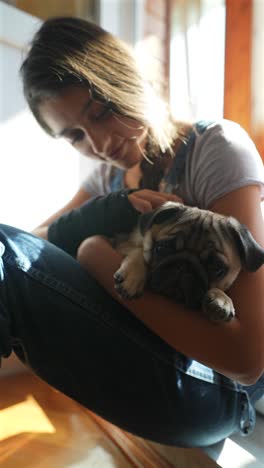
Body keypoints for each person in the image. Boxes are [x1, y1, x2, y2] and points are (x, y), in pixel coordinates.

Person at [4, 15, 263, 447]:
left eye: (102, 112)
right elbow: (31, 247)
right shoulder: (108, 181)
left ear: (127, 77)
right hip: (144, 362)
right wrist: (93, 220)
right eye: (75, 136)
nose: (100, 145)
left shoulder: (216, 148)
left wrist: (94, 255)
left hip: (214, 394)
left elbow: (248, 361)